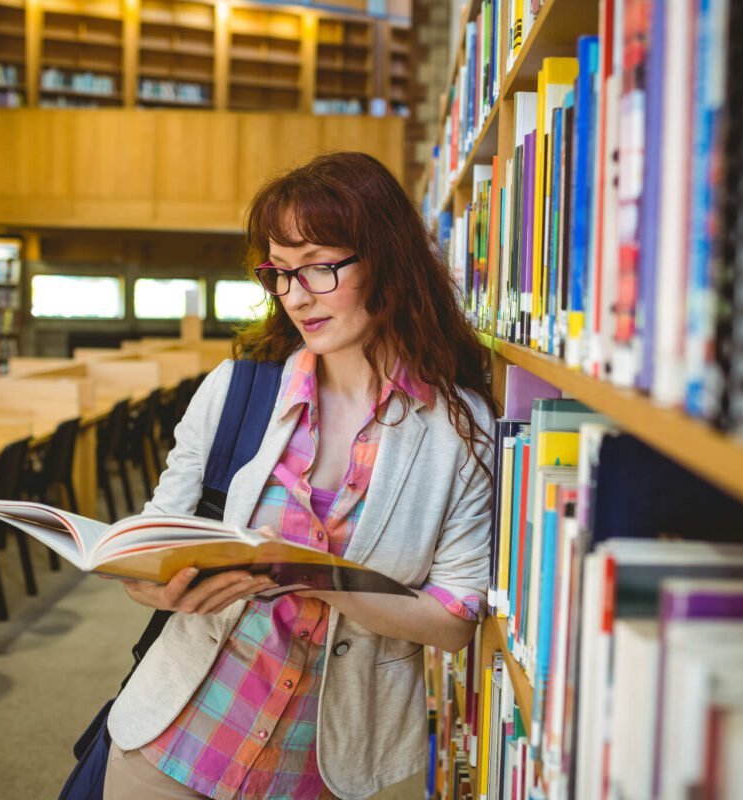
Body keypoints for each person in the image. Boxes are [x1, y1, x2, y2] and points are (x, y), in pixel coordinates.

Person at [103, 151, 496, 800]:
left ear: (386, 262)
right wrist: (153, 585)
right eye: (279, 273)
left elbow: (454, 621)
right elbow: (155, 540)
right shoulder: (237, 391)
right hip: (171, 743)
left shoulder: (458, 429)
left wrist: (309, 576)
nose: (294, 296)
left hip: (320, 770)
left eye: (318, 267)